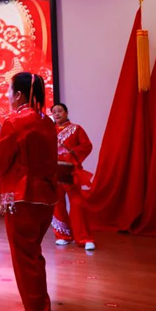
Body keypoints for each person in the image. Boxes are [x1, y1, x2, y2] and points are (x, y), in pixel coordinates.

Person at [0, 72, 61, 311]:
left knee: (26, 261)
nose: (7, 96)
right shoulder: (46, 122)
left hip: (22, 198)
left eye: (9, 91)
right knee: (33, 257)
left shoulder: (15, 122)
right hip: (44, 198)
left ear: (19, 95)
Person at [50, 103, 95, 250]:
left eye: (60, 111)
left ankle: (84, 237)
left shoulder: (76, 129)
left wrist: (72, 153)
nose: (57, 114)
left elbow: (87, 146)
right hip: (55, 171)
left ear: (66, 112)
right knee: (57, 203)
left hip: (70, 171)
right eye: (54, 112)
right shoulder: (49, 131)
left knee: (77, 204)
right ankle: (63, 235)